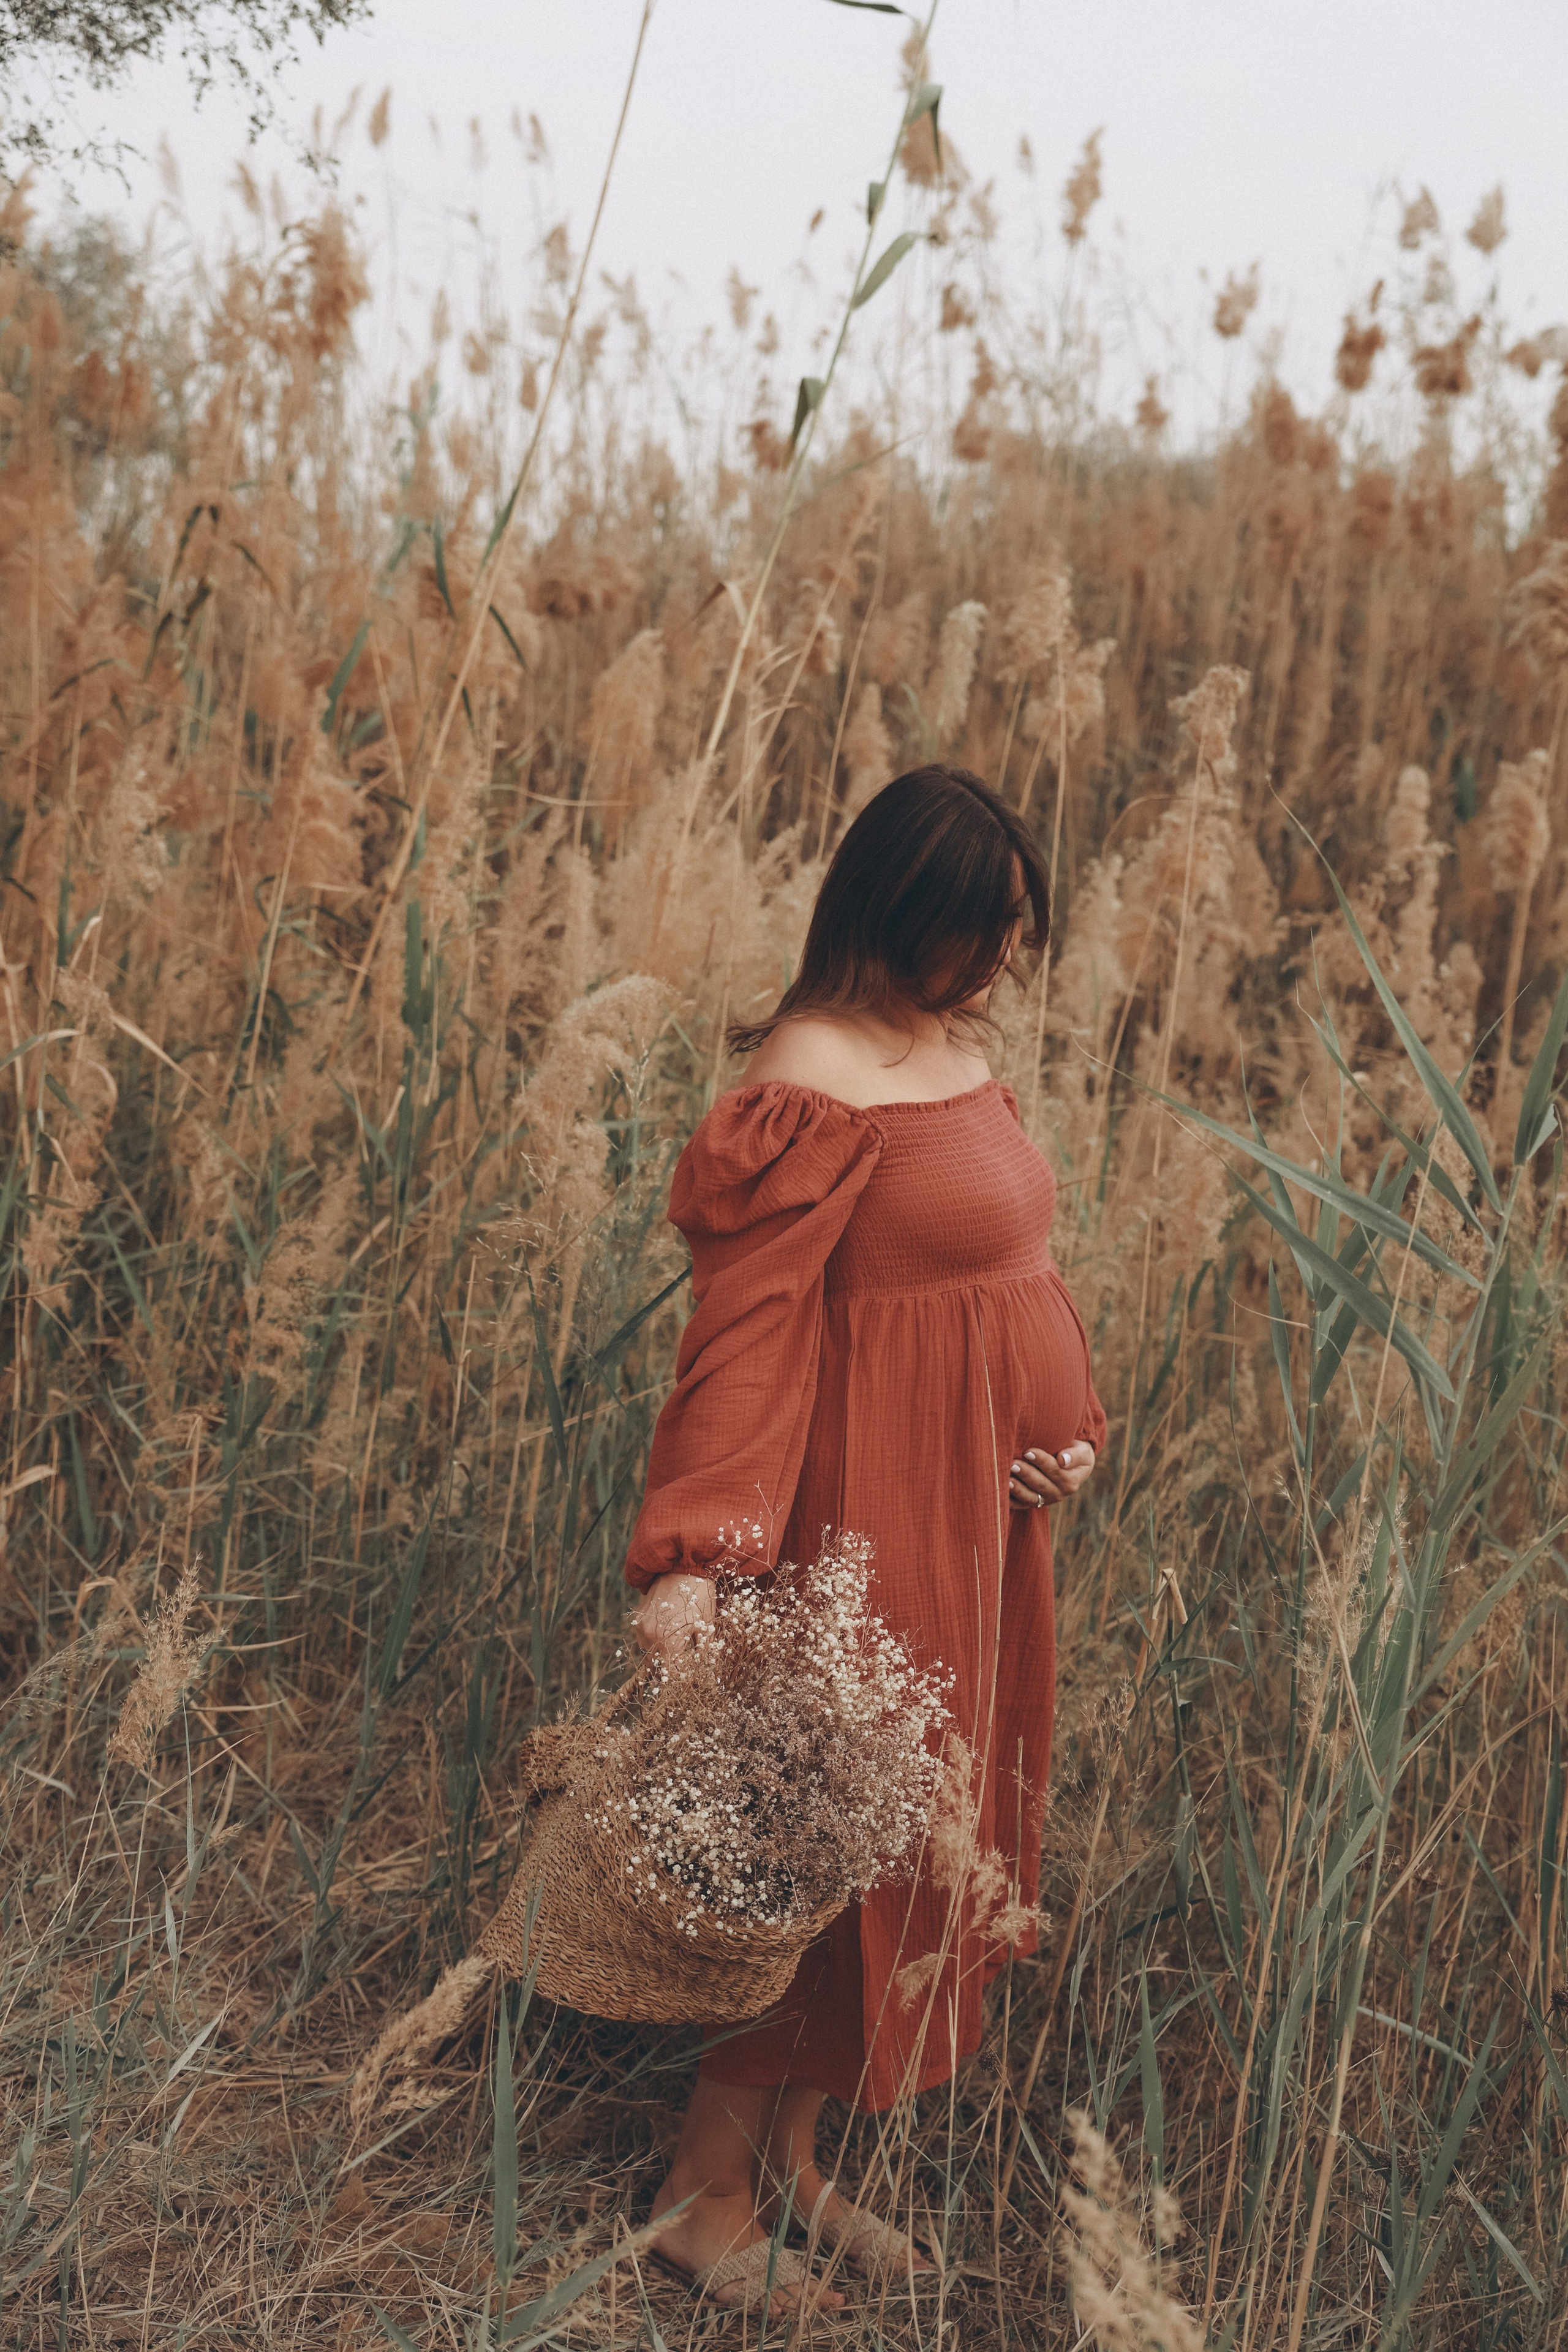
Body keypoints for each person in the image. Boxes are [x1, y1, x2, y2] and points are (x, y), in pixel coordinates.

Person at [625, 764, 1106, 2314]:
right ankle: (700, 2200)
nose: (1004, 957)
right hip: (860, 1523)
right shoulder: (810, 1077)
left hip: (974, 1518)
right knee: (819, 1855)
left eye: (1016, 925)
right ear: (901, 912)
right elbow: (746, 1337)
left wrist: (1061, 1432)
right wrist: (696, 1557)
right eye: (983, 925)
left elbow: (1006, 1264)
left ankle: (791, 2165)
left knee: (904, 1837)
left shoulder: (948, 1046)